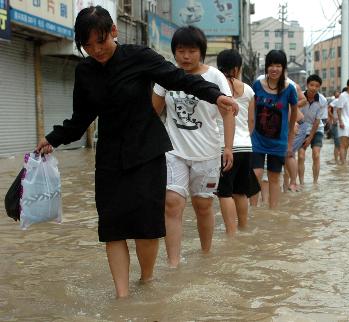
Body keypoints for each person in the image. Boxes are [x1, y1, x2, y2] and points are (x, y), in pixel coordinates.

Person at [36, 6, 237, 298]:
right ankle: (122, 296)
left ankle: (146, 281)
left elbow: (179, 79)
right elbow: (81, 119)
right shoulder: (86, 71)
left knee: (145, 226)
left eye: (100, 42)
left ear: (113, 32)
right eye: (87, 45)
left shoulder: (139, 57)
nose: (96, 50)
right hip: (109, 159)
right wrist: (52, 138)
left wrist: (216, 96)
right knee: (113, 227)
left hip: (147, 153)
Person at [151, 26, 235, 268]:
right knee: (172, 203)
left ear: (201, 52)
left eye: (191, 51)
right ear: (174, 52)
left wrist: (227, 148)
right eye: (180, 51)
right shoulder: (166, 75)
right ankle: (173, 263)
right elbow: (153, 112)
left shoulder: (216, 77)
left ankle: (206, 254)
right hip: (173, 151)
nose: (185, 56)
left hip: (207, 153)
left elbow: (227, 112)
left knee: (203, 205)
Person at [215, 49, 260, 236]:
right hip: (246, 146)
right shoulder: (248, 89)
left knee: (225, 193)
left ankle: (231, 235)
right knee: (241, 192)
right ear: (237, 68)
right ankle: (243, 228)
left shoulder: (214, 87)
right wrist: (244, 137)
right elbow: (251, 122)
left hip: (224, 146)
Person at [249, 49, 298, 208]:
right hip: (256, 139)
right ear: (266, 67)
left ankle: (273, 212)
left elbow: (293, 117)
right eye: (271, 65)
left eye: (278, 65)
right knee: (255, 174)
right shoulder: (257, 85)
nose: (274, 69)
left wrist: (290, 143)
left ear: (283, 68)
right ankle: (254, 211)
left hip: (278, 142)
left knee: (274, 178)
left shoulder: (289, 88)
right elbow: (251, 111)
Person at [291, 74, 327, 185]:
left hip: (316, 129)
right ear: (307, 85)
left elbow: (317, 121)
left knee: (316, 154)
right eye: (311, 85)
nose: (313, 88)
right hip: (301, 128)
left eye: (317, 86)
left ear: (319, 87)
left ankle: (315, 183)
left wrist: (310, 138)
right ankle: (301, 183)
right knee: (301, 156)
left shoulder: (322, 100)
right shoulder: (299, 97)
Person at [328, 89, 341, 163]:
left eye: (338, 93)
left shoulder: (343, 101)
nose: (338, 95)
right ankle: (336, 160)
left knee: (341, 143)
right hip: (336, 124)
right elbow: (328, 109)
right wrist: (333, 117)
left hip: (343, 124)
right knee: (337, 143)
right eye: (336, 94)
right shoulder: (336, 101)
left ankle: (339, 159)